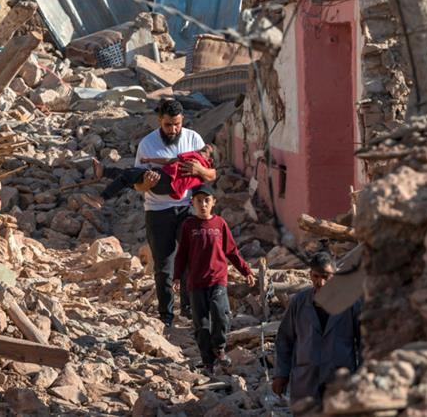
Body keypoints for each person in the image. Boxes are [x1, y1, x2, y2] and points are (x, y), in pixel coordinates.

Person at [135, 99, 216, 327]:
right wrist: (147, 184)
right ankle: (166, 316)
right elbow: (137, 185)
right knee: (163, 267)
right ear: (159, 121)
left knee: (193, 259)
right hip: (158, 211)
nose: (173, 130)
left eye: (177, 124)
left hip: (187, 208)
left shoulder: (193, 139)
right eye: (168, 125)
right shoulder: (147, 145)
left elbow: (211, 175)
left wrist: (199, 169)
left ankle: (191, 311)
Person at [173, 185, 255, 375]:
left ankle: (219, 348)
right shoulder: (189, 226)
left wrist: (246, 271)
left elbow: (231, 251)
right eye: (199, 201)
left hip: (217, 279)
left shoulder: (220, 224)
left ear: (213, 203)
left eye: (207, 200)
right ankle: (207, 361)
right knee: (201, 325)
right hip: (196, 283)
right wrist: (176, 277)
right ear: (192, 203)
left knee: (220, 313)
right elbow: (182, 255)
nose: (203, 204)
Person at [272, 251, 362, 409]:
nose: (321, 282)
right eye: (316, 276)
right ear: (310, 275)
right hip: (306, 381)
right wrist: (281, 373)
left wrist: (363, 375)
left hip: (339, 380)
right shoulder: (299, 302)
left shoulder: (350, 303)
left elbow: (364, 342)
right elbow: (285, 339)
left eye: (326, 276)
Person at [83, 144, 215, 207]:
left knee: (129, 175)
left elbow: (169, 161)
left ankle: (102, 196)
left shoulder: (197, 159)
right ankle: (104, 172)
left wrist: (150, 160)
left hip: (165, 180)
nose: (202, 149)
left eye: (206, 150)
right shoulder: (204, 171)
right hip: (166, 187)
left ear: (210, 158)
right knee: (129, 176)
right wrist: (150, 159)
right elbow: (169, 161)